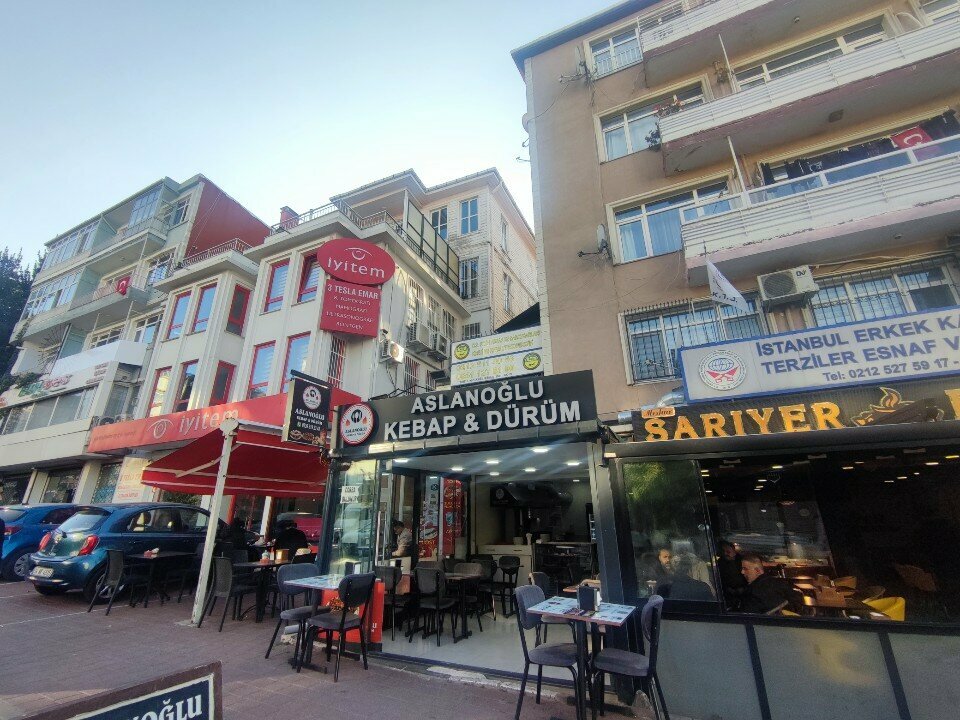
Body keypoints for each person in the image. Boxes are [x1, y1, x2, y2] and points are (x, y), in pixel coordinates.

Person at [717, 540, 748, 609]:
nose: (725, 553)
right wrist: (727, 589)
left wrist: (744, 588)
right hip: (727, 595)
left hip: (744, 593)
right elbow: (719, 578)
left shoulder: (743, 561)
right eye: (723, 551)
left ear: (734, 551)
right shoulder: (720, 563)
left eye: (728, 551)